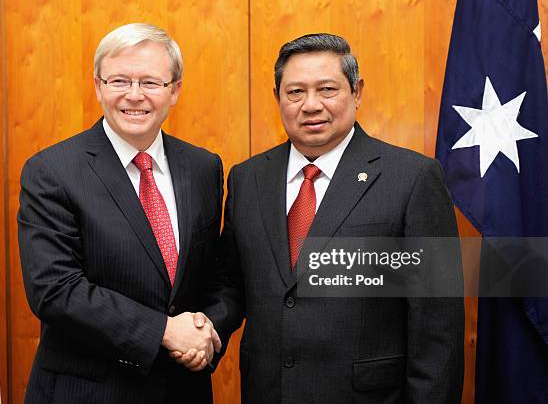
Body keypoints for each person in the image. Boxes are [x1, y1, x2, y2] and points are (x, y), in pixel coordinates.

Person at [199, 33, 465, 403]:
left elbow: (438, 324)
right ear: (277, 97)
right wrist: (204, 328)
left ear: (356, 92)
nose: (311, 105)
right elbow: (232, 283)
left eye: (327, 89)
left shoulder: (413, 177)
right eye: (295, 92)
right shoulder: (248, 179)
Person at [18, 23, 222, 404]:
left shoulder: (203, 167)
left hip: (182, 390)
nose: (134, 95)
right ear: (97, 86)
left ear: (174, 90)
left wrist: (204, 331)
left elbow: (216, 276)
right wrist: (163, 330)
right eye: (119, 81)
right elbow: (54, 289)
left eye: (150, 82)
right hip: (89, 392)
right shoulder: (52, 171)